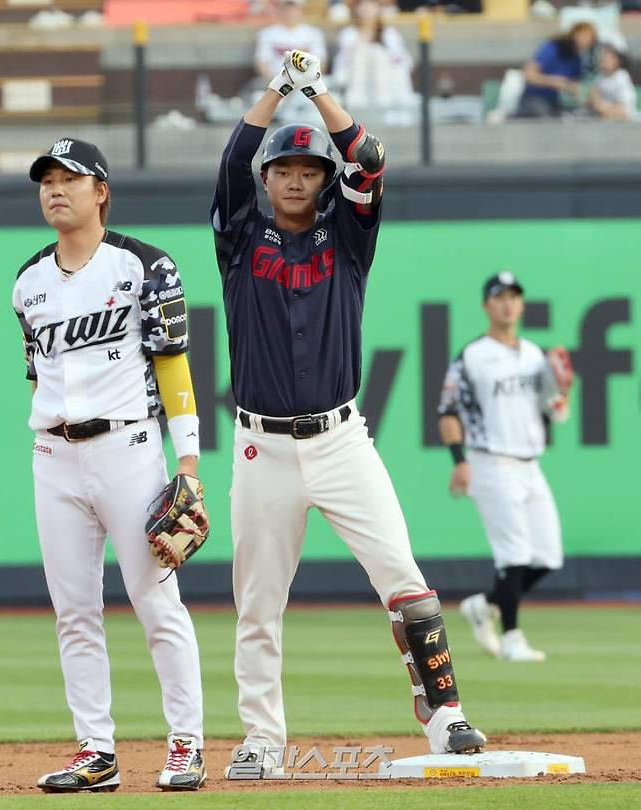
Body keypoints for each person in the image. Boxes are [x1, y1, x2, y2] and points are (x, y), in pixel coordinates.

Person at [210, 49, 486, 776]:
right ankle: (263, 740)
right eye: (284, 170)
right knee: (258, 606)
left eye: (309, 171)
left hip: (341, 438)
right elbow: (232, 160)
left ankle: (446, 715)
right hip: (259, 447)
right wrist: (274, 92)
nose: (297, 179)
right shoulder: (239, 240)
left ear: (322, 183)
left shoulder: (348, 237)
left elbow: (371, 160)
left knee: (403, 574)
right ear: (267, 181)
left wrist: (321, 93)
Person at [12, 138, 206, 792]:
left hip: (128, 449)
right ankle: (96, 751)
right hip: (54, 456)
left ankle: (186, 743)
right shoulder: (28, 281)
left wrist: (188, 461)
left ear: (102, 191)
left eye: (71, 178)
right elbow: (36, 374)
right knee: (73, 611)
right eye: (47, 180)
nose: (55, 189)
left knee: (155, 600)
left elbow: (172, 363)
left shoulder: (145, 267)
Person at [438, 272, 571, 663]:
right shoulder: (471, 356)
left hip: (530, 463)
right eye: (499, 297)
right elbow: (447, 411)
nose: (507, 303)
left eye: (514, 296)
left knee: (548, 556)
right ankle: (512, 637)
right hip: (490, 461)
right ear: (486, 306)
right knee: (512, 554)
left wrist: (559, 404)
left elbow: (550, 407)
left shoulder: (534, 354)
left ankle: (485, 605)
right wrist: (459, 461)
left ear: (522, 304)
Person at [332, 0, 416, 114]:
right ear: (356, 10)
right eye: (363, 7)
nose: (367, 10)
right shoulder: (349, 34)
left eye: (371, 6)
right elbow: (342, 62)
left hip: (386, 89)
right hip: (356, 90)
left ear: (378, 9)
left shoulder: (389, 33)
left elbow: (404, 61)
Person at [517, 21, 597, 117]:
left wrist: (585, 95)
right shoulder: (552, 48)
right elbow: (528, 75)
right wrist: (555, 82)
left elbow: (575, 86)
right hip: (533, 99)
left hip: (553, 102)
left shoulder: (576, 59)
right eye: (584, 36)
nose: (586, 41)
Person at [255, 0, 327, 80]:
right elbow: (263, 64)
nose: (290, 12)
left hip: (307, 82)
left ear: (301, 10)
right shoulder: (267, 33)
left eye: (294, 9)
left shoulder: (313, 33)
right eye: (287, 9)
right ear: (280, 10)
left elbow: (321, 63)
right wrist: (275, 83)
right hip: (277, 81)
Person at [588, 37, 637, 121]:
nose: (604, 59)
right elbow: (592, 99)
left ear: (618, 60)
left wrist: (603, 107)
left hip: (625, 119)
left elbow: (623, 108)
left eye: (609, 56)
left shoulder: (622, 77)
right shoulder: (600, 77)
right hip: (604, 118)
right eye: (603, 55)